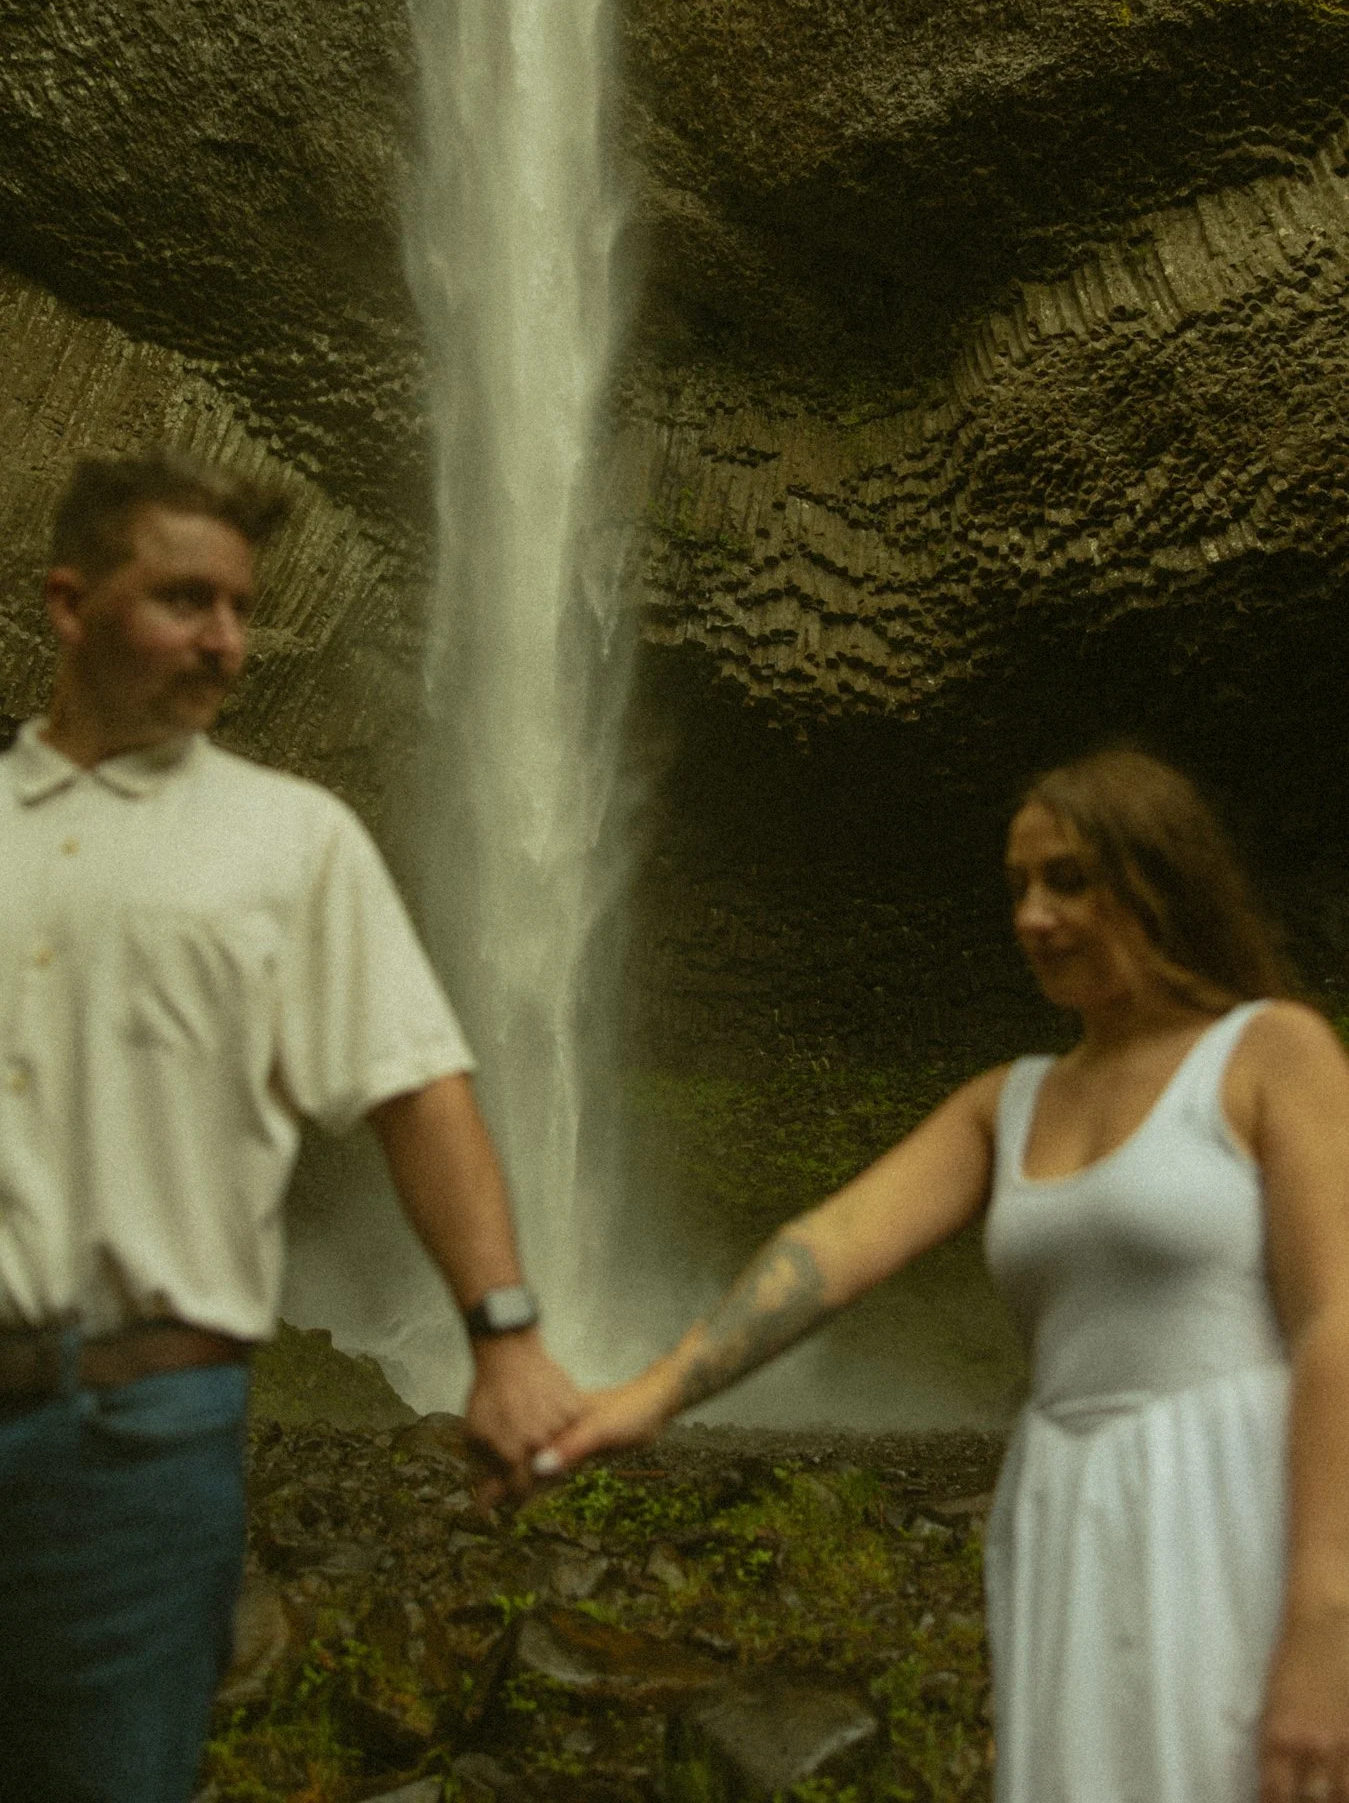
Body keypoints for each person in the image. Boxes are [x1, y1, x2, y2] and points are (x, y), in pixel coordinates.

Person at [537, 747, 1349, 1803]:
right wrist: (642, 1397)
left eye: (1064, 877)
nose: (1031, 915)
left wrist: (1323, 1616)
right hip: (1069, 1503)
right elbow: (824, 1250)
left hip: (1230, 1493)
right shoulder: (1005, 1103)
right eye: (1016, 886)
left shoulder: (1266, 1053)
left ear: (1157, 874)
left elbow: (1334, 1320)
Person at [0, 451, 580, 1803]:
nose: (226, 643)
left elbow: (418, 1093)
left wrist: (503, 1339)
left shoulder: (290, 841)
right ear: (68, 606)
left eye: (242, 609)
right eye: (186, 602)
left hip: (142, 1430)